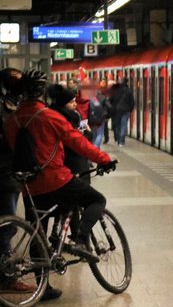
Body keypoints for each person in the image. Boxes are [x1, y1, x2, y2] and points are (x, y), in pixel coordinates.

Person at [5, 70, 115, 289]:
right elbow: (78, 142)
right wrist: (104, 159)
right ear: (41, 93)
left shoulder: (12, 119)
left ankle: (42, 288)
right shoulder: (48, 116)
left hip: (29, 186)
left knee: (37, 233)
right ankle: (80, 241)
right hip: (56, 179)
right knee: (96, 200)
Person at [0, 67, 35, 294]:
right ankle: (7, 278)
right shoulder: (9, 107)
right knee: (7, 226)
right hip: (5, 173)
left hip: (6, 172)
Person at [47, 85, 92, 185]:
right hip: (73, 165)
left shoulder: (67, 115)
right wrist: (88, 133)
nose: (75, 104)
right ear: (62, 104)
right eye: (71, 102)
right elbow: (76, 143)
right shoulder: (67, 119)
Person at [107, 80, 134, 145]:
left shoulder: (115, 91)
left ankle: (118, 139)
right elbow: (132, 102)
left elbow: (110, 100)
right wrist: (130, 110)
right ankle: (122, 141)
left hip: (117, 110)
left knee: (117, 125)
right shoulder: (129, 91)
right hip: (126, 110)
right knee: (123, 125)